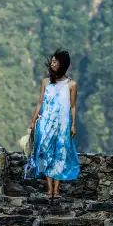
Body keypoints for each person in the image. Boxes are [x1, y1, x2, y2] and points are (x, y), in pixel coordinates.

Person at [28, 49, 80, 199]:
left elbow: (73, 106)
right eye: (52, 61)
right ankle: (49, 189)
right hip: (46, 122)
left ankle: (56, 190)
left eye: (56, 61)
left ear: (62, 65)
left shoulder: (71, 85)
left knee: (60, 153)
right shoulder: (46, 82)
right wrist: (33, 122)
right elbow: (40, 103)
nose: (52, 63)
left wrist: (73, 124)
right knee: (46, 152)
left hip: (63, 124)